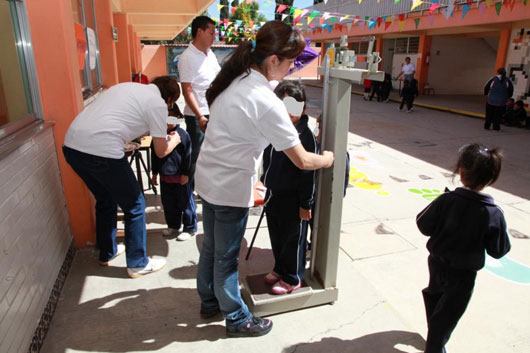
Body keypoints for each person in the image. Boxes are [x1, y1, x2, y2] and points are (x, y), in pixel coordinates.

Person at [195, 21, 334, 338]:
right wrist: (329, 158)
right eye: (290, 63)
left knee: (212, 250)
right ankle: (236, 317)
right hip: (229, 186)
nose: (291, 70)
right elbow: (302, 159)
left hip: (208, 178)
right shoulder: (265, 99)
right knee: (226, 259)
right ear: (274, 60)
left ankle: (208, 301)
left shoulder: (237, 78)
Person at [63, 76, 182, 278]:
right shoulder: (158, 104)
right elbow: (161, 151)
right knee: (135, 204)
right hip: (102, 149)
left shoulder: (127, 87)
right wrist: (176, 140)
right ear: (169, 99)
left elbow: (116, 119)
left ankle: (107, 252)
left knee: (105, 198)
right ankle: (137, 263)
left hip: (72, 147)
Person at [416, 143, 511, 353]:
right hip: (463, 273)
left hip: (437, 263)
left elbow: (423, 224)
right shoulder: (492, 213)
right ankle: (435, 345)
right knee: (449, 312)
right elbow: (499, 249)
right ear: (490, 178)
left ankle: (435, 336)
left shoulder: (446, 200)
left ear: (460, 172)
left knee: (435, 296)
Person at [261, 81, 317, 295]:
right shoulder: (274, 130)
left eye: (296, 105)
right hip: (273, 194)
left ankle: (293, 277)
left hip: (294, 199)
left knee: (293, 239)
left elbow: (308, 173)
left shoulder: (305, 136)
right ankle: (280, 267)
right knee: (276, 234)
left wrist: (306, 203)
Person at [177, 16, 221, 189]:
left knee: (212, 153)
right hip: (198, 115)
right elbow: (187, 90)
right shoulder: (188, 57)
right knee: (196, 153)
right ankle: (190, 188)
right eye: (211, 33)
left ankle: (206, 186)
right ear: (199, 32)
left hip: (214, 111)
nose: (214, 37)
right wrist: (200, 116)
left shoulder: (210, 54)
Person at [150, 110, 197, 242]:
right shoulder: (158, 136)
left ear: (178, 118)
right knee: (169, 204)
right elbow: (154, 155)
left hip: (180, 178)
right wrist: (154, 173)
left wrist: (185, 173)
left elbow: (188, 156)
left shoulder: (182, 135)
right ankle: (173, 225)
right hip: (165, 178)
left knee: (185, 203)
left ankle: (190, 228)